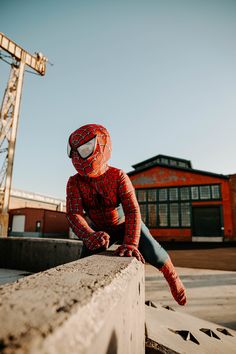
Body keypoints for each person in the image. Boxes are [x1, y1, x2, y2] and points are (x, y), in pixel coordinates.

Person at [66, 123, 187, 306]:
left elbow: (132, 210)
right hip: (99, 232)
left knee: (153, 250)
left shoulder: (118, 176)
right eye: (72, 151)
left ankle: (172, 276)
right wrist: (88, 235)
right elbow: (74, 213)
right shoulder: (74, 182)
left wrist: (130, 242)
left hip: (123, 225)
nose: (77, 157)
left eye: (85, 149)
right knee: (83, 267)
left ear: (102, 146)